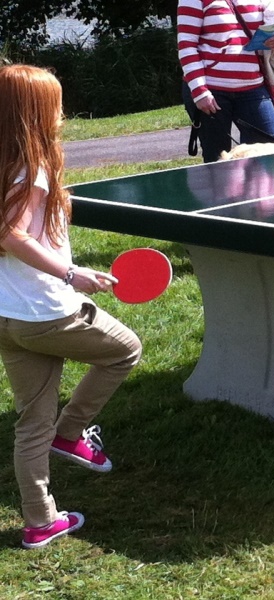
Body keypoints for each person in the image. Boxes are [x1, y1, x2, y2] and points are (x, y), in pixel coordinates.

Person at [0, 64, 142, 549]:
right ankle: (72, 431)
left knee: (30, 424)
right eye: (56, 104)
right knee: (125, 351)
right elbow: (11, 234)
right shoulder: (32, 170)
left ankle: (40, 522)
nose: (62, 113)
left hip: (7, 318)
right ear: (36, 113)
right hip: (48, 313)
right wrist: (71, 274)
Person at [178, 0, 274, 163]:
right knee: (218, 161)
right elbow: (186, 45)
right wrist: (199, 91)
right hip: (211, 91)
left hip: (254, 86)